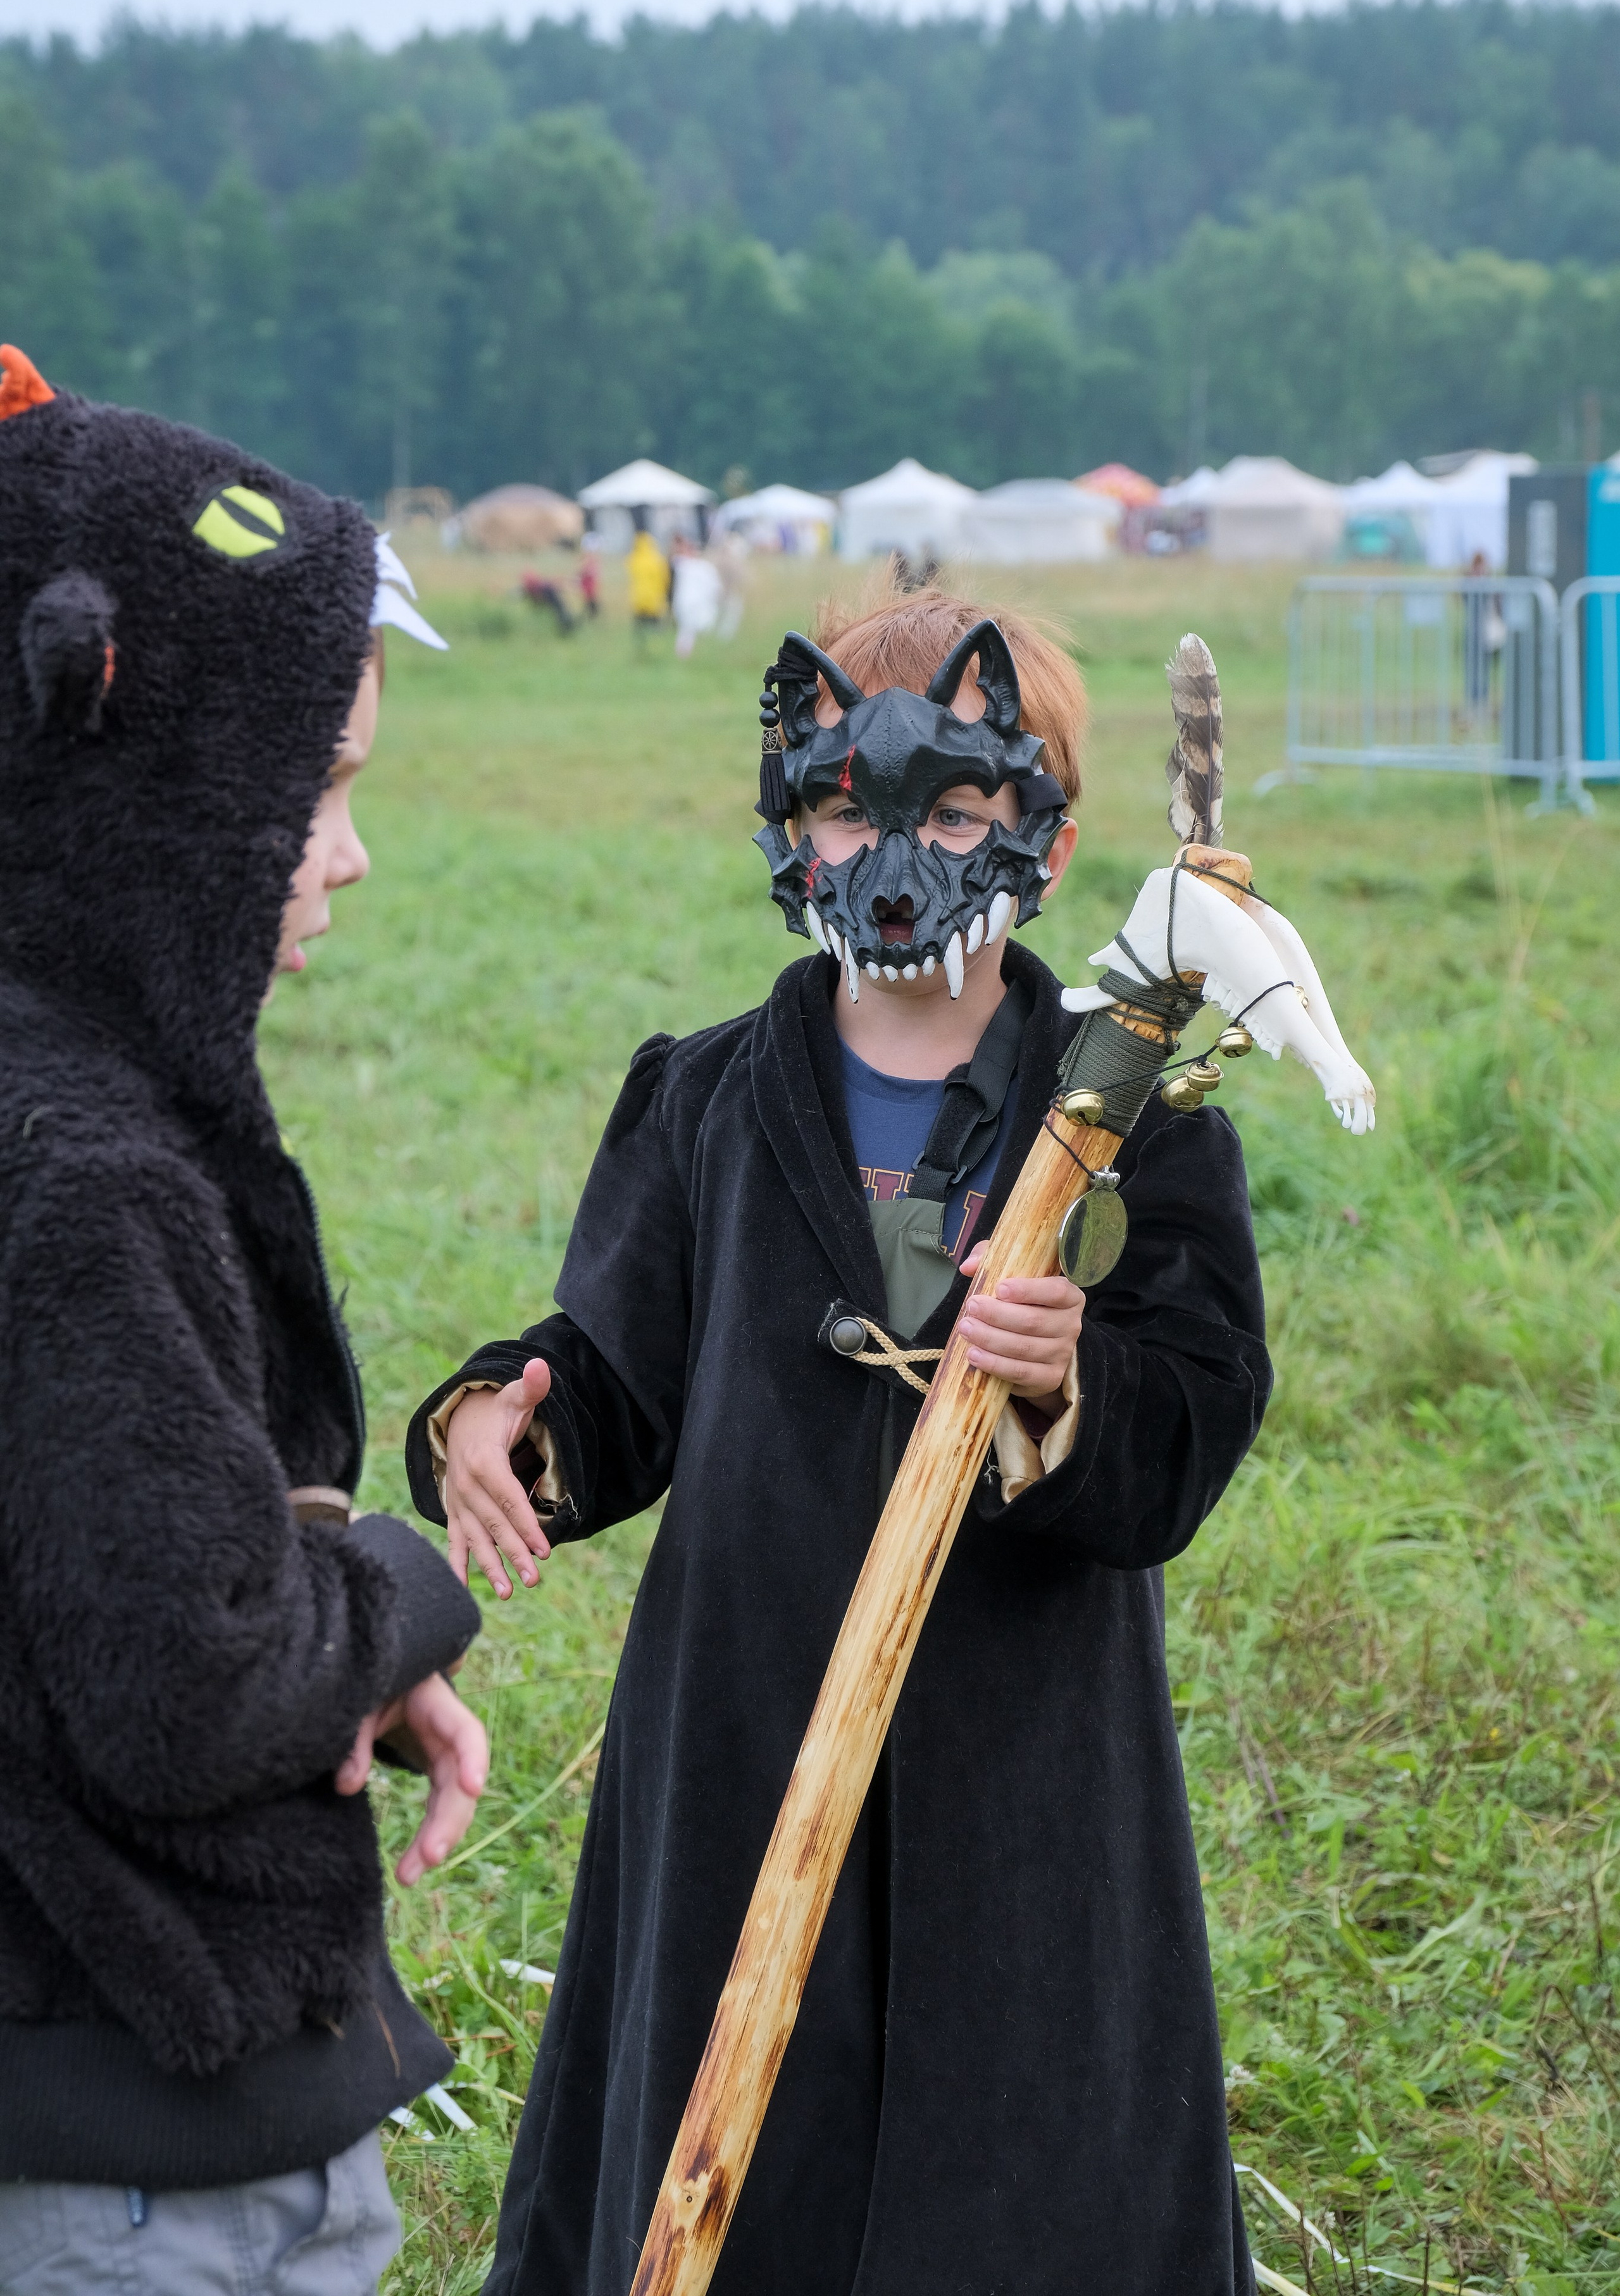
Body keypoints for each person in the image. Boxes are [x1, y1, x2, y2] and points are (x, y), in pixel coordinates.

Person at [406, 585, 1271, 2296]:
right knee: (738, 2154)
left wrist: (1066, 1391)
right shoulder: (708, 1094)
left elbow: (1194, 1411)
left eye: (951, 804)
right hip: (743, 1722)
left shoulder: (1132, 1120)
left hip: (1020, 1753)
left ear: (1045, 822)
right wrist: (518, 1413)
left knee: (1018, 2179)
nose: (895, 847)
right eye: (841, 804)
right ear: (785, 817)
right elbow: (624, 1371)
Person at [0, 343, 487, 2294]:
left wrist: (319, 1621)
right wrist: (388, 1590)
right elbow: (186, 1678)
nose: (348, 853)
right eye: (313, 791)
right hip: (139, 2151)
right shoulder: (80, 1178)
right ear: (150, 786)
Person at [670, 535, 724, 659]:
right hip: (688, 604)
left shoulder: (702, 567)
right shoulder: (684, 565)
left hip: (696, 604)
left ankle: (692, 654)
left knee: (693, 629)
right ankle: (687, 654)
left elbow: (713, 586)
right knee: (688, 630)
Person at [627, 523, 670, 651]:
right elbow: (665, 579)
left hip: (639, 600)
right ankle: (657, 648)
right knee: (655, 627)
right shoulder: (657, 559)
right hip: (654, 599)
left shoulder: (636, 559)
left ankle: (642, 648)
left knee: (640, 629)